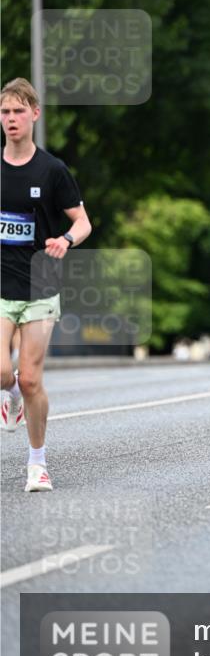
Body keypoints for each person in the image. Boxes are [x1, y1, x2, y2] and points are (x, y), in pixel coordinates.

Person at [0, 78, 92, 491]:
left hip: (39, 287)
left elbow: (83, 222)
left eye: (19, 111)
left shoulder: (53, 170)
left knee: (31, 378)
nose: (11, 119)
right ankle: (10, 394)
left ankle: (37, 463)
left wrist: (65, 240)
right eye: (5, 112)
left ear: (35, 114)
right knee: (4, 374)